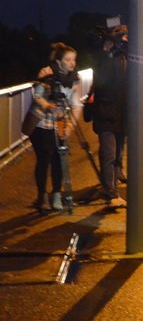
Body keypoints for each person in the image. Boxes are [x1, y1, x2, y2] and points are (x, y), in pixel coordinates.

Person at [25, 43, 84, 212]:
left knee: (59, 160)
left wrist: (70, 126)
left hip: (59, 125)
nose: (72, 63)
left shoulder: (74, 79)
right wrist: (48, 105)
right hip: (42, 123)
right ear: (58, 61)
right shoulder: (48, 74)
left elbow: (76, 105)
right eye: (68, 60)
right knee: (44, 159)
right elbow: (37, 96)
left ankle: (57, 195)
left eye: (74, 60)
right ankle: (42, 195)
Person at [89, 25, 128, 207]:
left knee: (118, 151)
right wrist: (106, 52)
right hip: (106, 112)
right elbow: (101, 81)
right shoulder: (103, 58)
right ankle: (111, 194)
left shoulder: (125, 56)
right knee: (109, 153)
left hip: (123, 112)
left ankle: (114, 180)